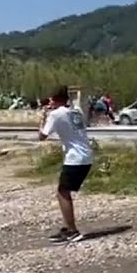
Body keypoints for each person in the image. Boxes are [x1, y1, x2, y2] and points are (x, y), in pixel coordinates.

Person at [39, 85, 93, 243]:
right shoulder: (76, 111)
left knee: (62, 193)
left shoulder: (55, 114)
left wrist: (42, 117)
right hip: (85, 155)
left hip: (75, 157)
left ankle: (73, 230)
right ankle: (68, 227)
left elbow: (42, 136)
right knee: (64, 191)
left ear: (54, 99)